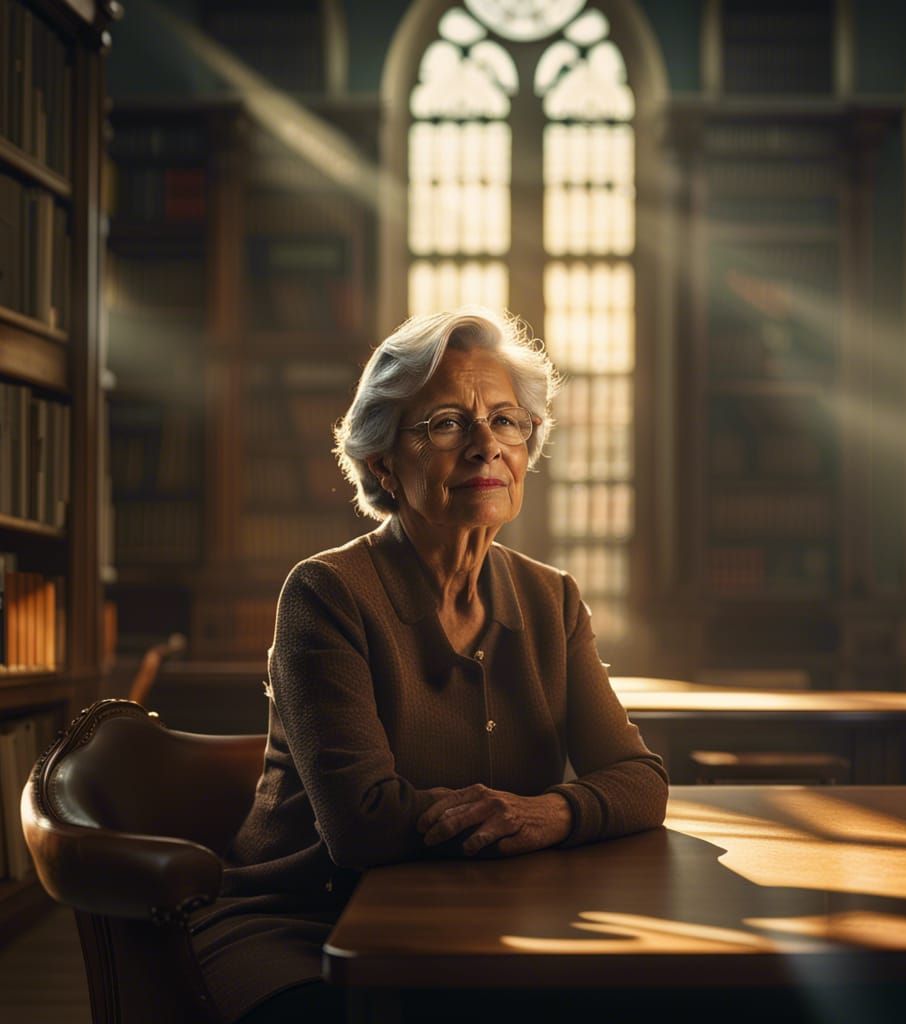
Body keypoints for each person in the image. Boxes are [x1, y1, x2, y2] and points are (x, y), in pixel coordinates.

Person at [191, 308, 668, 1022]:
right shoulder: (326, 595)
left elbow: (640, 781)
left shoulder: (552, 597)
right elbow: (363, 828)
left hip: (486, 923)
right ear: (384, 460)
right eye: (447, 423)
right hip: (311, 932)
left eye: (507, 421)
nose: (486, 447)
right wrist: (518, 823)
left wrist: (554, 812)